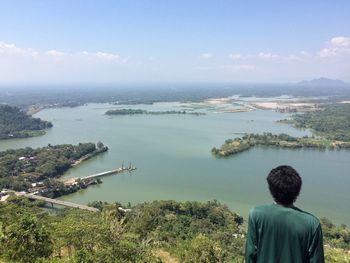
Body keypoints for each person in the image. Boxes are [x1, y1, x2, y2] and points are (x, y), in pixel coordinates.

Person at [245, 165, 324, 263]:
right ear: (297, 192)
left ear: (271, 189)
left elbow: (250, 255)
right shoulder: (312, 224)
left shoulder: (256, 214)